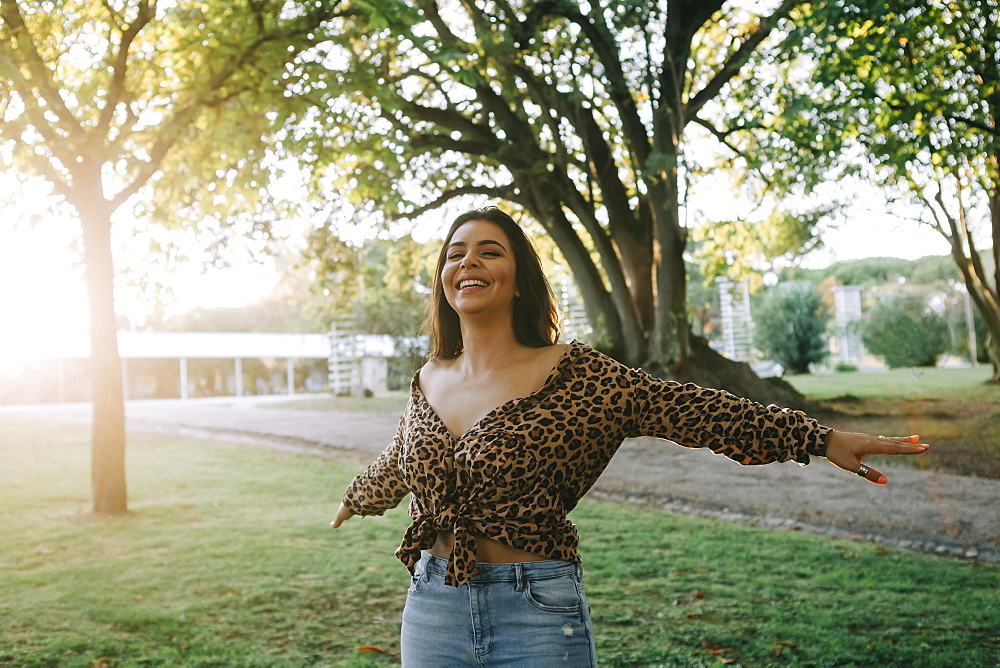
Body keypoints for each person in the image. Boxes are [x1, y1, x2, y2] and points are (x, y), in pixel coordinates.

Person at [330, 206, 928, 666]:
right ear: (443, 280)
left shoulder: (579, 376)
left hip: (536, 608)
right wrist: (359, 496)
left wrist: (818, 439)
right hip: (433, 606)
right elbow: (402, 460)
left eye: (490, 251)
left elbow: (690, 409)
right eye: (456, 253)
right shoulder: (428, 378)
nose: (469, 263)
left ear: (518, 281)